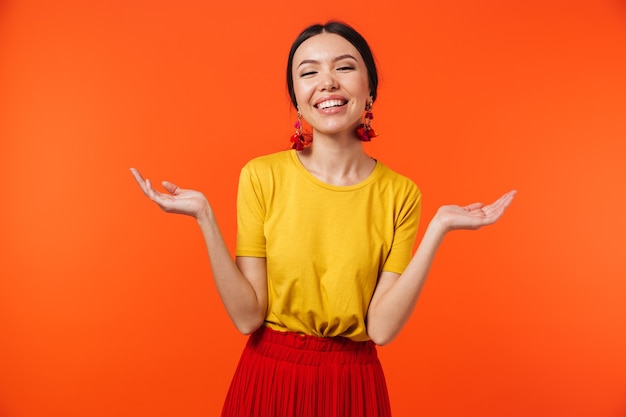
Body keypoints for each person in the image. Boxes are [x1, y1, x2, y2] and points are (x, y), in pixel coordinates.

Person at [130, 21, 515, 417]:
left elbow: (380, 329)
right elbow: (248, 318)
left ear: (370, 90)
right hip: (269, 379)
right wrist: (204, 217)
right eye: (309, 72)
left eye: (344, 67)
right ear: (297, 99)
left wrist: (439, 228)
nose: (327, 82)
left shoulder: (401, 194)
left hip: (353, 385)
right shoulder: (262, 176)